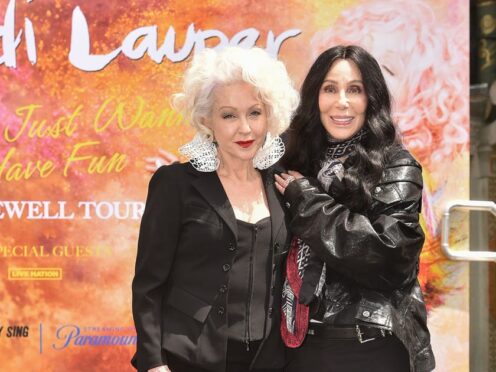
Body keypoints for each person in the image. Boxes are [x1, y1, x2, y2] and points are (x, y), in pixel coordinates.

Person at [131, 46, 299, 372]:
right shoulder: (176, 183)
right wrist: (154, 364)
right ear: (207, 120)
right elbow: (148, 286)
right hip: (188, 358)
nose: (245, 129)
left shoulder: (282, 185)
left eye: (254, 112)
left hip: (270, 361)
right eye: (229, 115)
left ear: (271, 116)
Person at [274, 45, 435, 372]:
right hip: (299, 347)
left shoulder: (396, 166)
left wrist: (308, 203)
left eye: (355, 90)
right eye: (330, 89)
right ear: (314, 97)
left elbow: (388, 257)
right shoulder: (293, 161)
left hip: (369, 348)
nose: (341, 101)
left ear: (371, 99)